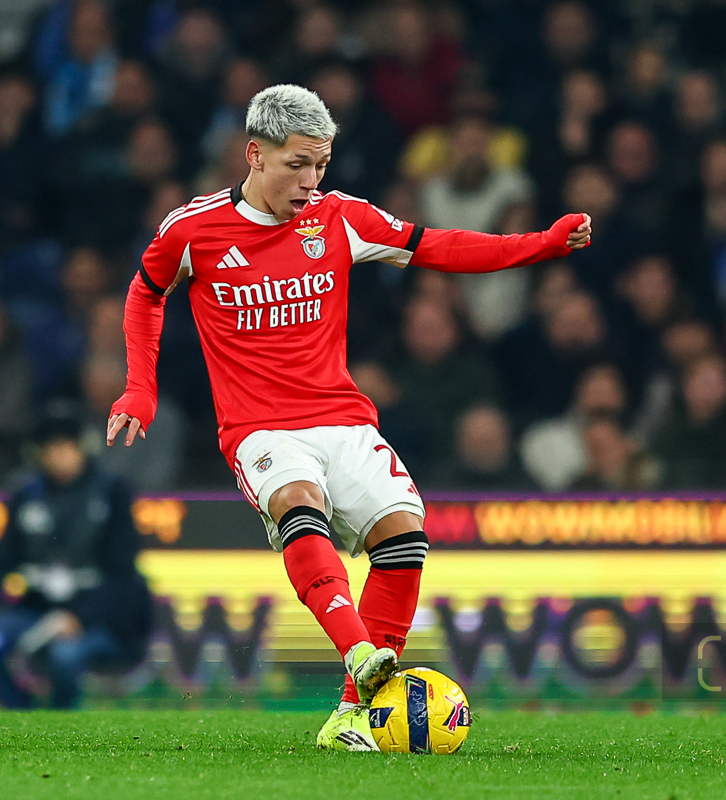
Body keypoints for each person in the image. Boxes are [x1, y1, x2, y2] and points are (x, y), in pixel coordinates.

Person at [106, 84, 592, 750]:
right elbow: (145, 294)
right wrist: (140, 388)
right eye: (296, 165)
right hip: (260, 427)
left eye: (321, 165)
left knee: (405, 536)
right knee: (299, 503)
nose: (310, 181)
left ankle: (350, 716)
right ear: (255, 154)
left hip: (342, 418)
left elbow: (440, 246)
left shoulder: (341, 219)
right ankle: (359, 651)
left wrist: (540, 245)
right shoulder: (193, 229)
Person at [0, 405, 152, 709]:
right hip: (39, 613)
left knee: (65, 655)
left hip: (98, 620)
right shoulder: (26, 495)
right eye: (51, 447)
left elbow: (124, 576)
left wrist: (81, 617)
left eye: (66, 445)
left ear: (83, 448)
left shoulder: (112, 492)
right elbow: (0, 563)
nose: (59, 454)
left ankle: (62, 721)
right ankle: (21, 714)